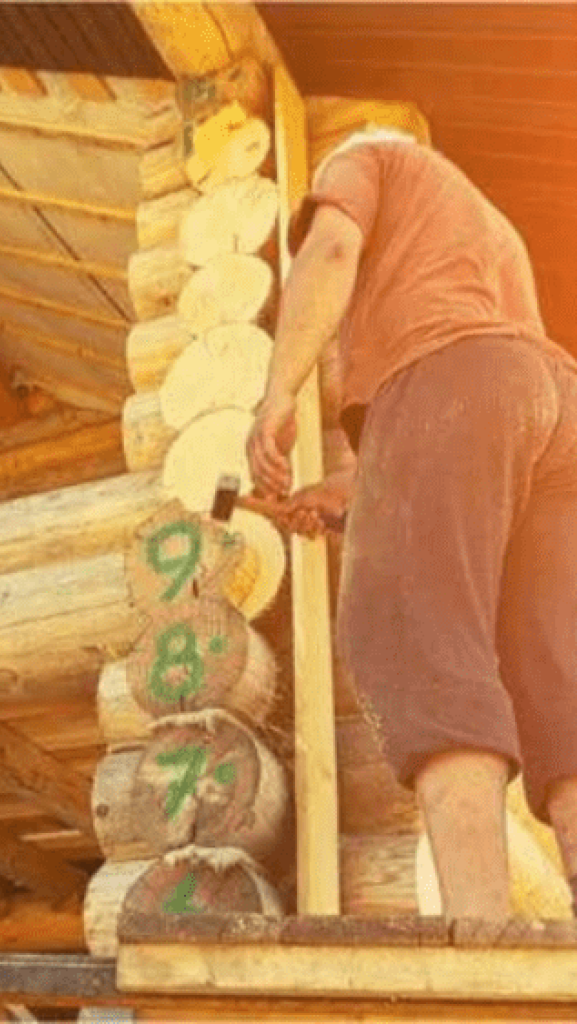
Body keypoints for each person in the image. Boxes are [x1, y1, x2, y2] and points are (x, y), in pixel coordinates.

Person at [247, 125, 577, 920]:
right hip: (557, 404)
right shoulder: (485, 226)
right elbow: (495, 411)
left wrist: (278, 391)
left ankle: (483, 934)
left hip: (454, 382)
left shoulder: (362, 156)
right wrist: (356, 491)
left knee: (417, 633)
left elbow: (329, 255)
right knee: (560, 678)